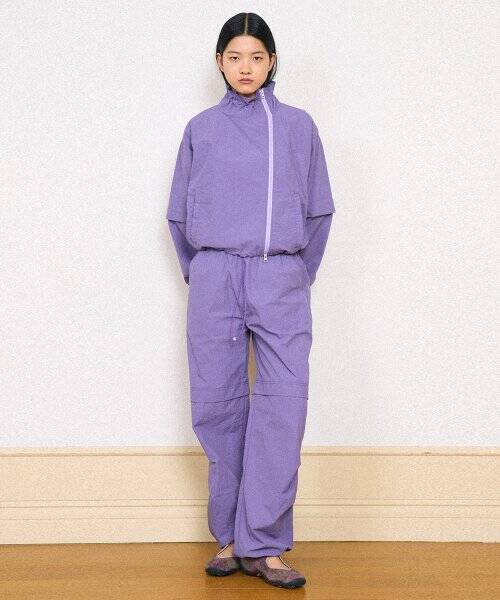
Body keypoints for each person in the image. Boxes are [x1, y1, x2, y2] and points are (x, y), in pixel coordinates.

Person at [166, 12, 335, 590]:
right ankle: (231, 538)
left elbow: (318, 210)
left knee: (283, 404)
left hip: (279, 276)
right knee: (217, 403)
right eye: (235, 57)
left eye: (256, 57)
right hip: (215, 276)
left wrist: (292, 275)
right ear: (220, 62)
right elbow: (179, 214)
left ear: (272, 62)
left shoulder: (298, 127)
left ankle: (265, 541)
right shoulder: (201, 129)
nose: (245, 67)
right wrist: (205, 272)